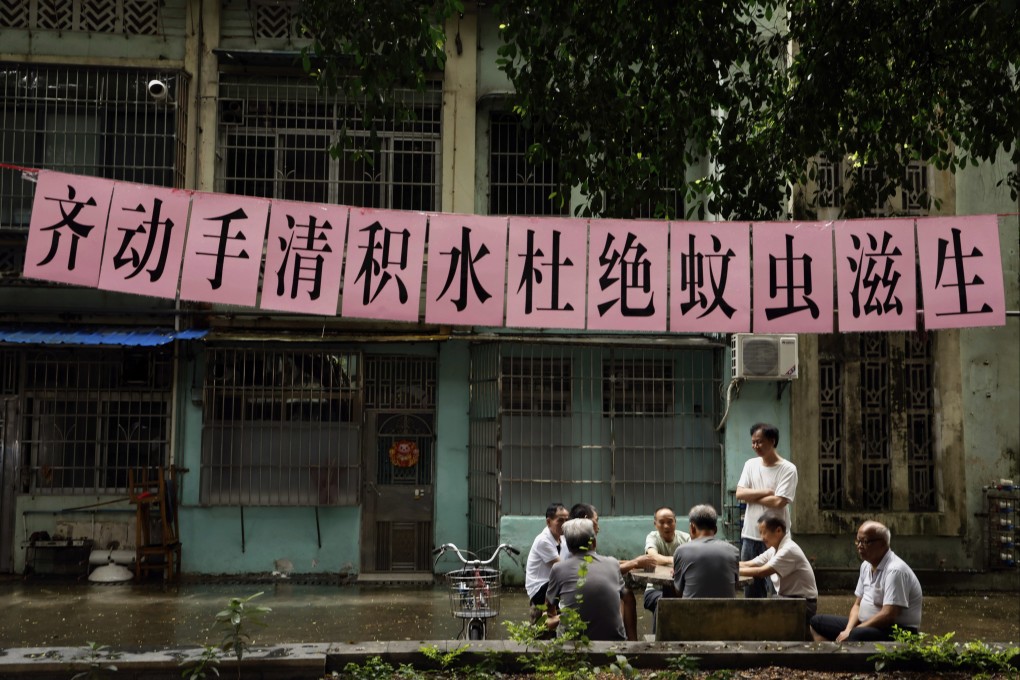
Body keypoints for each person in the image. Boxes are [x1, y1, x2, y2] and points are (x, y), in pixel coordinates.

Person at [809, 520, 923, 642]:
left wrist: (854, 631)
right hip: (866, 625)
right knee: (816, 622)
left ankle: (847, 658)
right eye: (858, 541)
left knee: (857, 635)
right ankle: (833, 659)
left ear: (883, 544)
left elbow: (888, 615)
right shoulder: (866, 566)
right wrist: (848, 629)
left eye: (865, 541)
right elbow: (857, 604)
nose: (859, 546)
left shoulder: (895, 570)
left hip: (898, 631)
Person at [567, 502, 654, 640]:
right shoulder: (573, 542)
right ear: (586, 520)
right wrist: (634, 562)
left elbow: (599, 562)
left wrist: (632, 562)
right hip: (580, 596)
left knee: (626, 594)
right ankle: (626, 640)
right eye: (596, 521)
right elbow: (598, 569)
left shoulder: (573, 537)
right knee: (620, 596)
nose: (599, 527)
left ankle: (632, 642)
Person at [736, 422, 798, 598]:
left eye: (760, 442)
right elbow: (740, 494)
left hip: (776, 539)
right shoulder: (750, 465)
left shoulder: (788, 469)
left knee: (777, 589)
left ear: (772, 441)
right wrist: (765, 492)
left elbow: (779, 502)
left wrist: (752, 495)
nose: (755, 446)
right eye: (753, 442)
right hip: (750, 536)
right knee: (751, 588)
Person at [545, 518, 626, 641]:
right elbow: (619, 596)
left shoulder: (559, 569)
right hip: (615, 639)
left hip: (573, 642)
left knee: (546, 620)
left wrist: (558, 618)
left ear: (569, 546)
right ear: (594, 542)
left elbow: (549, 607)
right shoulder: (613, 563)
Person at [739, 511, 818, 627]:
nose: (762, 538)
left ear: (778, 531)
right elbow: (752, 563)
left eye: (764, 533)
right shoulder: (774, 549)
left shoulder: (788, 550)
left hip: (803, 604)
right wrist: (729, 565)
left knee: (759, 619)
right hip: (788, 599)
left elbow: (760, 572)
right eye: (760, 533)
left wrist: (731, 571)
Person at [672, 504, 740, 598]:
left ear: (692, 528)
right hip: (726, 611)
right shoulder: (733, 551)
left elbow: (678, 591)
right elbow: (735, 586)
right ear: (715, 529)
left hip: (692, 611)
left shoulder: (681, 551)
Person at [642, 506, 691, 627]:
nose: (666, 526)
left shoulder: (685, 538)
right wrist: (679, 560)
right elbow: (653, 557)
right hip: (654, 589)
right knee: (663, 603)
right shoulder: (652, 537)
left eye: (670, 521)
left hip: (681, 590)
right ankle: (658, 643)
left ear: (675, 522)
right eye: (662, 522)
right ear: (655, 524)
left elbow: (694, 558)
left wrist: (666, 561)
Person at [524, 502, 570, 622]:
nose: (564, 524)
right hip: (539, 588)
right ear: (548, 522)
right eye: (560, 521)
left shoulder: (563, 538)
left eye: (567, 520)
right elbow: (562, 568)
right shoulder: (543, 540)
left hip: (551, 584)